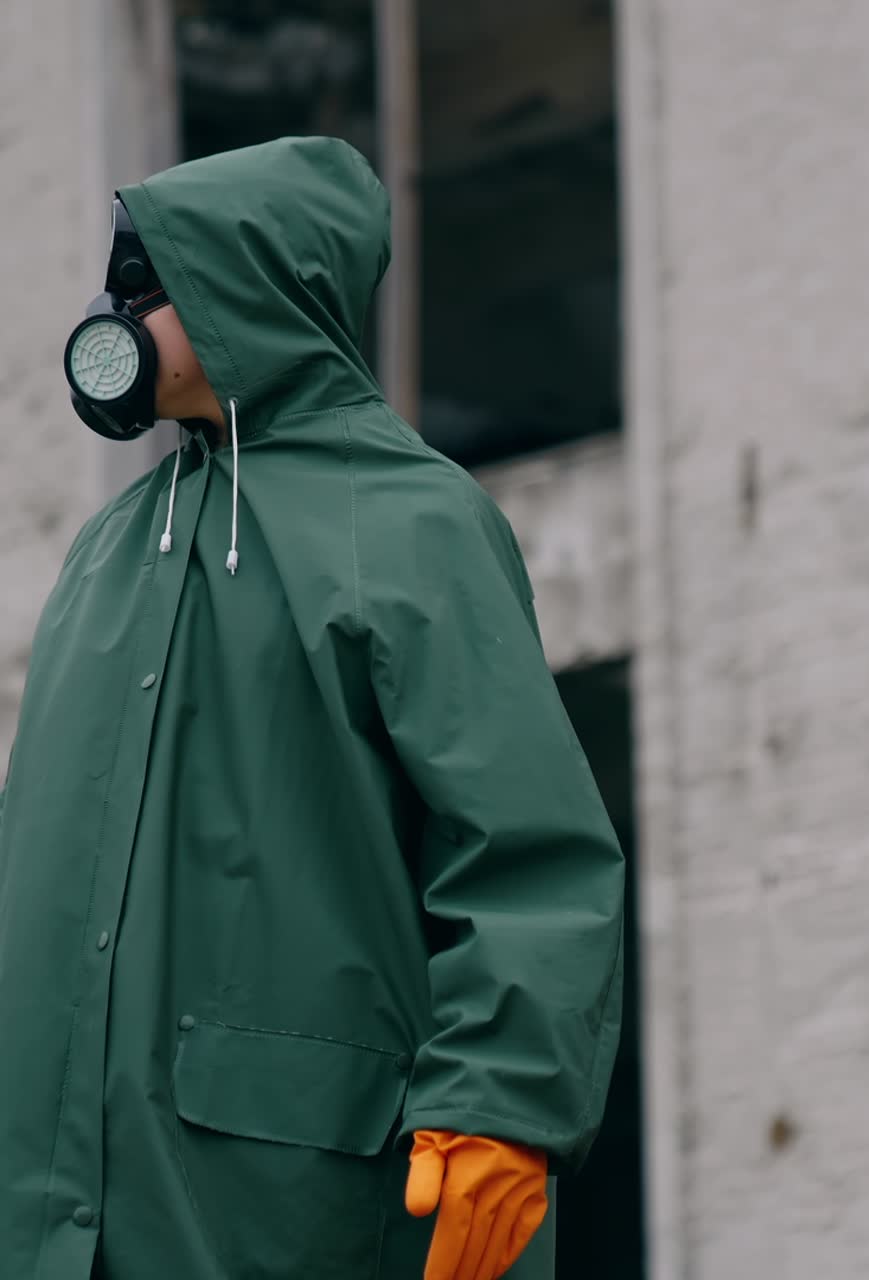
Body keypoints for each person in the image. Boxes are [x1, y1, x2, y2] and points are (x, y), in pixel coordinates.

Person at [0, 135, 625, 1280]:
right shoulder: (109, 550)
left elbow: (526, 847)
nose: (114, 317)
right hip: (61, 1209)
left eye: (148, 285)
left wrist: (506, 1097)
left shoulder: (412, 523)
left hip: (292, 1199)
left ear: (253, 288)